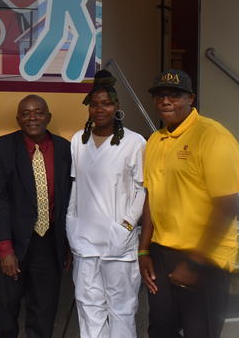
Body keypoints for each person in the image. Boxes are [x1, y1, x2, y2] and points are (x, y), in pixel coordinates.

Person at [139, 69, 239, 338]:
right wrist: (144, 252)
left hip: (205, 258)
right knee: (160, 331)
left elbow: (227, 207)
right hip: (163, 254)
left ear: (191, 99)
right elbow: (152, 196)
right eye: (160, 95)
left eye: (174, 95)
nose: (166, 101)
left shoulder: (213, 137)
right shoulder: (154, 140)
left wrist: (195, 263)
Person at [67, 70, 145, 337]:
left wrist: (126, 226)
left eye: (107, 103)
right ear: (88, 108)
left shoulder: (134, 142)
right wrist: (71, 223)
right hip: (85, 241)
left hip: (118, 243)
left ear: (117, 107)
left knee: (122, 308)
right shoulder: (79, 140)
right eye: (94, 104)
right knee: (88, 305)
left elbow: (142, 190)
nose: (100, 109)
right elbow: (75, 186)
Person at [0, 94, 72, 338]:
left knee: (43, 312)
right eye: (26, 113)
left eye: (38, 112)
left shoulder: (64, 149)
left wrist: (67, 244)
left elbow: (68, 200)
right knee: (5, 312)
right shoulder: (1, 148)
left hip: (49, 243)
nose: (32, 117)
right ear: (18, 119)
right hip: (13, 244)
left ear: (49, 117)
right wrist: (5, 249)